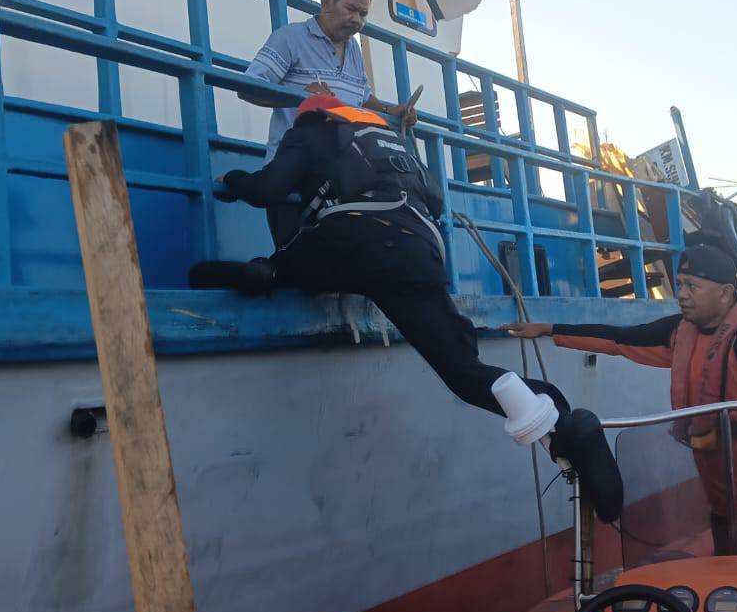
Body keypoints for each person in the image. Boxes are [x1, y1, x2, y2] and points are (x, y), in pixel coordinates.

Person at [188, 94, 623, 522]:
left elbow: (269, 189)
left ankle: (262, 274)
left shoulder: (307, 132)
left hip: (348, 242)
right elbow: (435, 200)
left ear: (309, 115)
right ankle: (563, 425)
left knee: (285, 265)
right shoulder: (390, 138)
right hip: (417, 251)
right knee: (463, 371)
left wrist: (234, 183)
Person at [505, 244, 737, 554]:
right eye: (679, 284)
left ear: (725, 293)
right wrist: (549, 329)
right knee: (731, 561)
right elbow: (619, 338)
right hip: (721, 487)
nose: (681, 294)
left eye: (692, 286)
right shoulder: (679, 332)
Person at [239, 0, 417, 157]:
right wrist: (300, 97)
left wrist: (389, 110)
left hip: (343, 170)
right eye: (351, 9)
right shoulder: (290, 37)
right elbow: (248, 88)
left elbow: (362, 97)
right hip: (294, 166)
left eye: (363, 14)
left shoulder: (354, 49)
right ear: (326, 3)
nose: (357, 20)